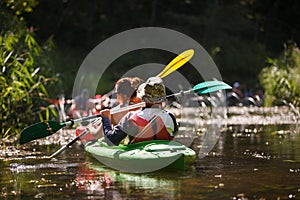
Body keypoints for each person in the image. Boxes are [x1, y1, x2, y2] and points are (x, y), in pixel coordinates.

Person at [100, 76, 178, 146]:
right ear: (163, 99)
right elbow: (174, 133)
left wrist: (105, 119)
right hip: (165, 155)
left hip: (138, 158)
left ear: (142, 98)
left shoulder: (131, 117)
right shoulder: (171, 117)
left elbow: (111, 140)